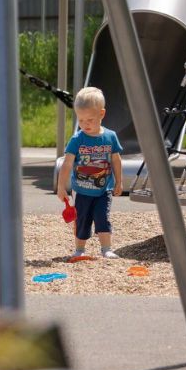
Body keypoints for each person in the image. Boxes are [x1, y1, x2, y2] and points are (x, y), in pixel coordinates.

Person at [56, 86, 124, 260]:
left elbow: (116, 160)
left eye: (90, 120)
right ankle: (80, 249)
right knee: (82, 219)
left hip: (103, 189)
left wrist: (119, 182)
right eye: (81, 120)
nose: (85, 124)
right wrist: (61, 186)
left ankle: (106, 248)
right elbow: (67, 164)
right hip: (81, 190)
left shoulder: (110, 137)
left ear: (102, 114)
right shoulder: (77, 139)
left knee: (103, 217)